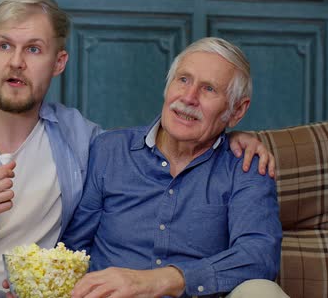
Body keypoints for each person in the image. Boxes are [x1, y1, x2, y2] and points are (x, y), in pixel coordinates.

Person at [0, 0, 274, 298]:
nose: (17, 62)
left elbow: (167, 149)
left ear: (59, 62)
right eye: (5, 46)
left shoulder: (85, 140)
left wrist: (233, 137)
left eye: (34, 49)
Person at [62, 37, 286, 298]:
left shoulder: (244, 166)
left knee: (262, 292)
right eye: (183, 80)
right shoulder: (110, 150)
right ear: (168, 87)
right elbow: (73, 249)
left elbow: (259, 256)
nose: (189, 97)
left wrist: (164, 280)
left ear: (237, 111)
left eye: (209, 89)